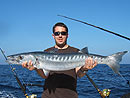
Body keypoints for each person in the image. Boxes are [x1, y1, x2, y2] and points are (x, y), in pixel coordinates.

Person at [22, 22, 97, 98]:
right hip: (48, 96)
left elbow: (79, 74)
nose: (60, 36)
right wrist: (35, 68)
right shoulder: (47, 52)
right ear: (53, 36)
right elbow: (44, 75)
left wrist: (85, 68)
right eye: (57, 33)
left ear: (67, 35)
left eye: (63, 33)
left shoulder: (75, 52)